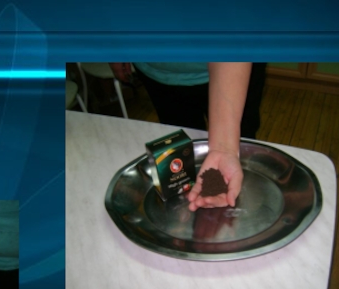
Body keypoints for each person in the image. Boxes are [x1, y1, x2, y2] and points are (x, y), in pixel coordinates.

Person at [109, 62, 260, 212]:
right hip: (158, 75)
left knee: (245, 148)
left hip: (233, 75)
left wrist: (225, 148)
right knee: (178, 141)